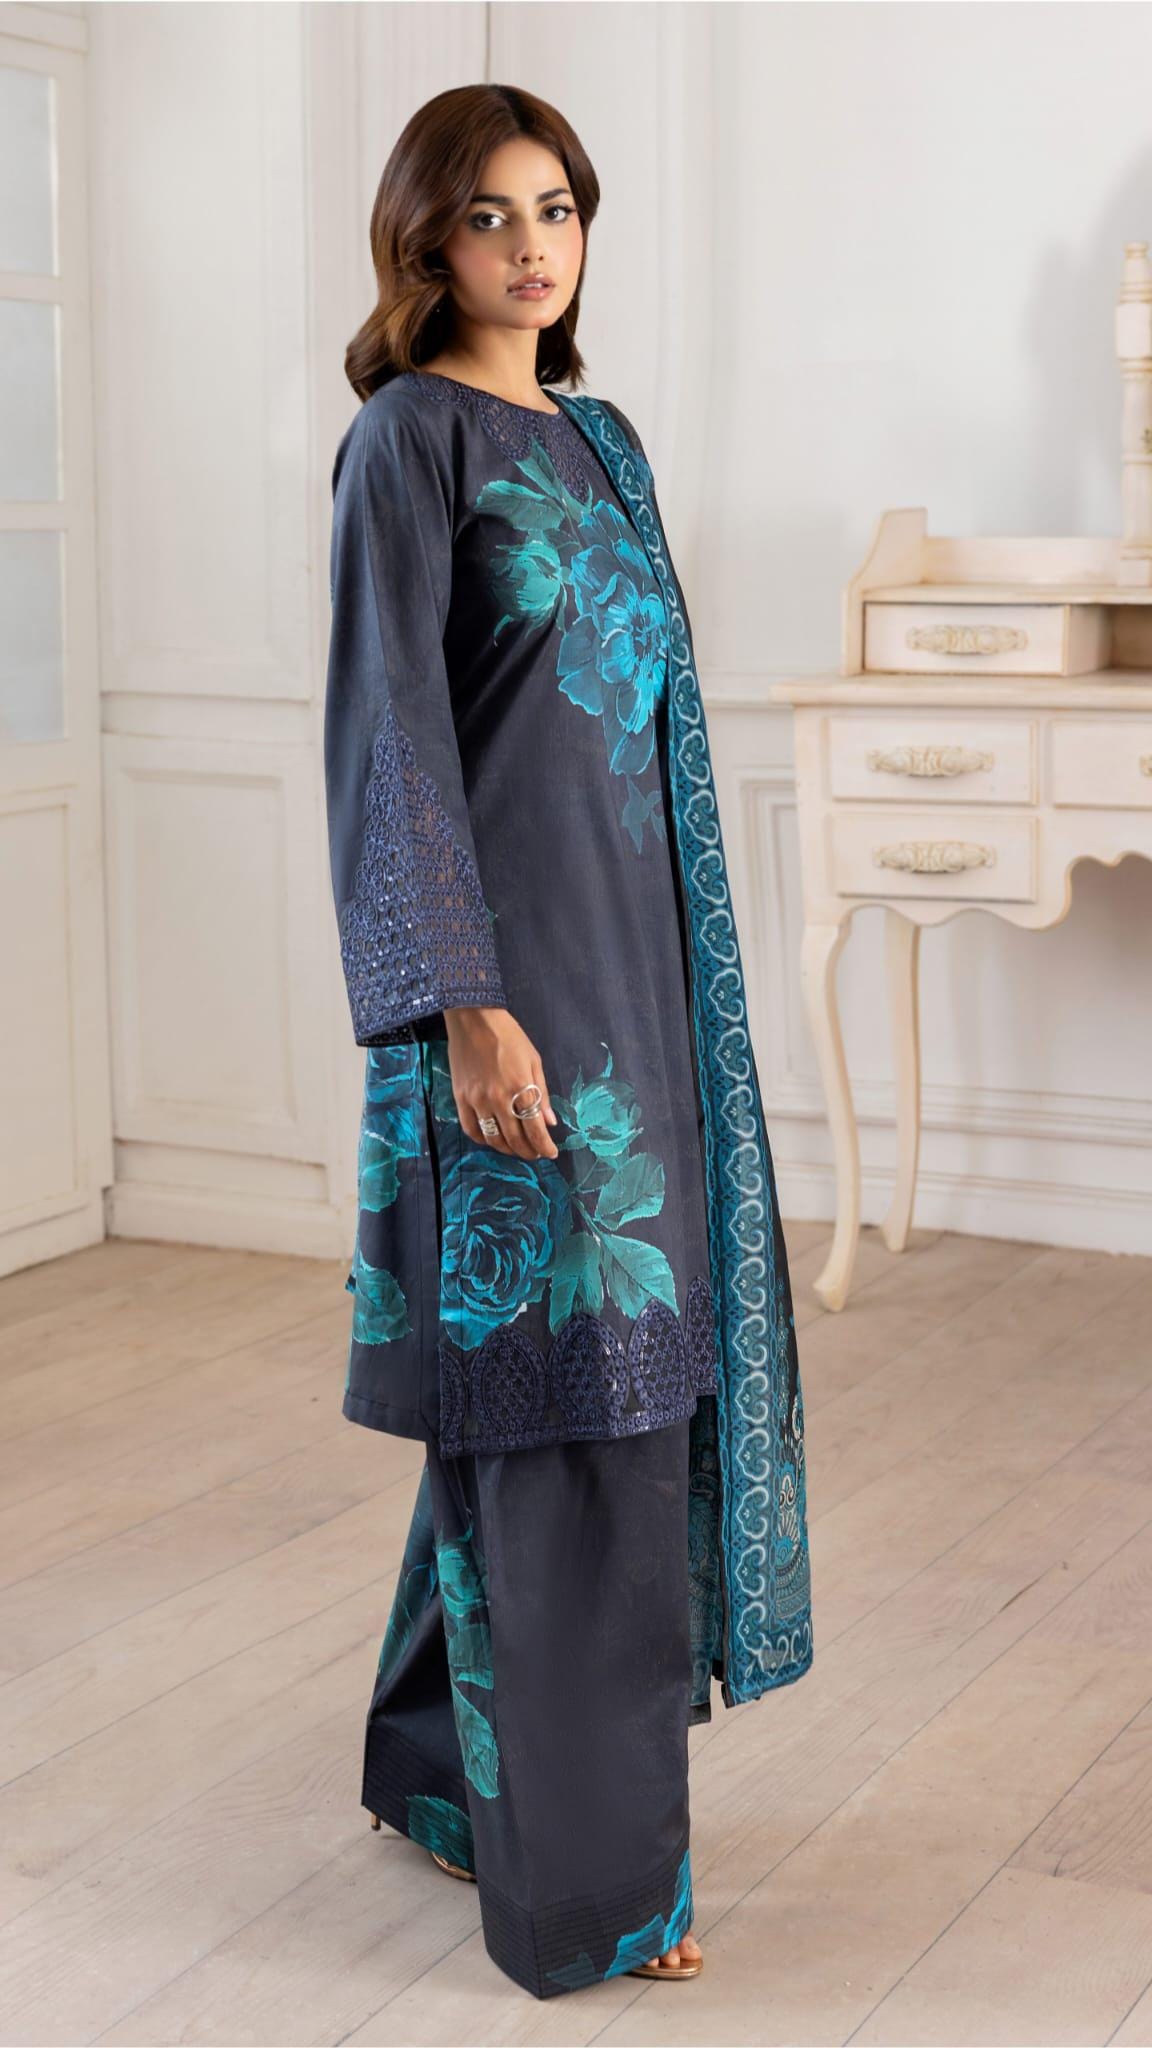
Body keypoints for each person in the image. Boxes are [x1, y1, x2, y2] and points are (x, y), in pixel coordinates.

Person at [323, 80, 813, 2002]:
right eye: (489, 214)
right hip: (510, 1005)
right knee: (569, 1423)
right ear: (424, 239)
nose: (533, 246)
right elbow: (392, 738)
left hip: (649, 992)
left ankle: (437, 1774)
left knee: (583, 1392)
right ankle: (599, 1891)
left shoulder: (603, 442)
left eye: (558, 208)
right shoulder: (407, 441)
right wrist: (464, 1007)